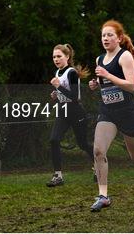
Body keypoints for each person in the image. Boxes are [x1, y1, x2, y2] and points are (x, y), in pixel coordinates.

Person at [88, 19, 134, 211]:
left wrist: (108, 76)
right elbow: (105, 83)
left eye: (110, 35)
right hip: (108, 112)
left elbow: (132, 86)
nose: (105, 38)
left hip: (127, 112)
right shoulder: (99, 59)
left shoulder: (124, 56)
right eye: (103, 35)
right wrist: (96, 85)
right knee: (98, 151)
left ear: (119, 38)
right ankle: (103, 195)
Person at [47, 44, 95, 187]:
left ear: (67, 57)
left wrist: (58, 87)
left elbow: (74, 97)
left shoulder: (72, 73)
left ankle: (98, 166)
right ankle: (58, 176)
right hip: (63, 111)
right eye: (54, 57)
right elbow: (63, 92)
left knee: (82, 144)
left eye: (59, 56)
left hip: (75, 111)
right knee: (54, 140)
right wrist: (56, 95)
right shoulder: (57, 73)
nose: (56, 59)